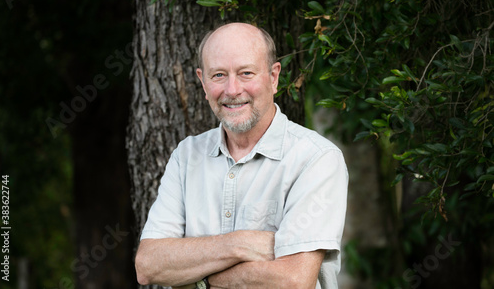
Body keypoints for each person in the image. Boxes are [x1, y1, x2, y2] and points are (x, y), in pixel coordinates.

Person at [135, 22, 348, 288]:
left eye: (246, 73)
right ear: (202, 81)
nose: (232, 90)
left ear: (273, 76)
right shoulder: (186, 156)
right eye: (219, 75)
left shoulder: (315, 159)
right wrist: (240, 244)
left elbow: (293, 281)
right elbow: (148, 265)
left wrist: (194, 276)